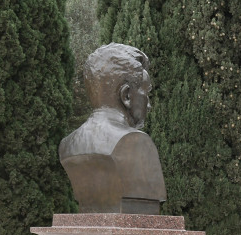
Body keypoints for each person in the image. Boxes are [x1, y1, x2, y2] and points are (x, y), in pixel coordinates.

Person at [59, 43, 166, 214]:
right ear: (127, 96)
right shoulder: (135, 143)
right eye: (146, 93)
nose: (149, 104)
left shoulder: (67, 145)